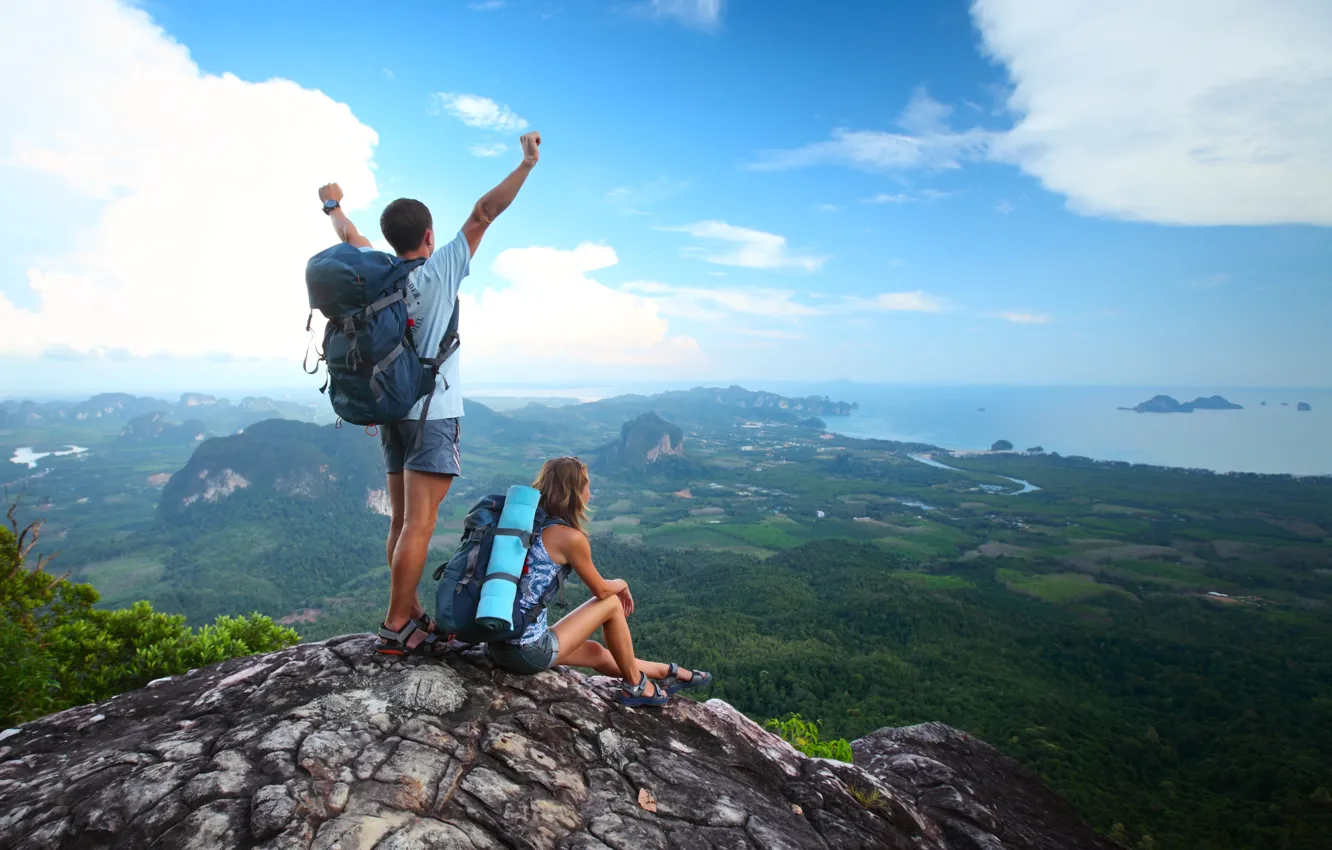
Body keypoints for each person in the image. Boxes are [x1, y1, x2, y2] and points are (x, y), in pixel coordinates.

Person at [317, 131, 543, 657]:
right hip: (432, 415)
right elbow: (484, 212)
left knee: (401, 521)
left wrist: (332, 205)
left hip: (391, 411)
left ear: (390, 237)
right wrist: (526, 164)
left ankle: (409, 607)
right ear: (429, 233)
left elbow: (349, 236)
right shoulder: (440, 269)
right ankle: (397, 624)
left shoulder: (379, 275)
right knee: (420, 523)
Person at [489, 456, 713, 706]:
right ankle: (636, 685)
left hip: (500, 644)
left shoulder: (523, 524)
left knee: (596, 652)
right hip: (526, 651)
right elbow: (602, 590)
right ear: (573, 492)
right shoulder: (569, 538)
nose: (590, 494)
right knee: (611, 604)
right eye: (587, 486)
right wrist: (622, 583)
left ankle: (667, 672)